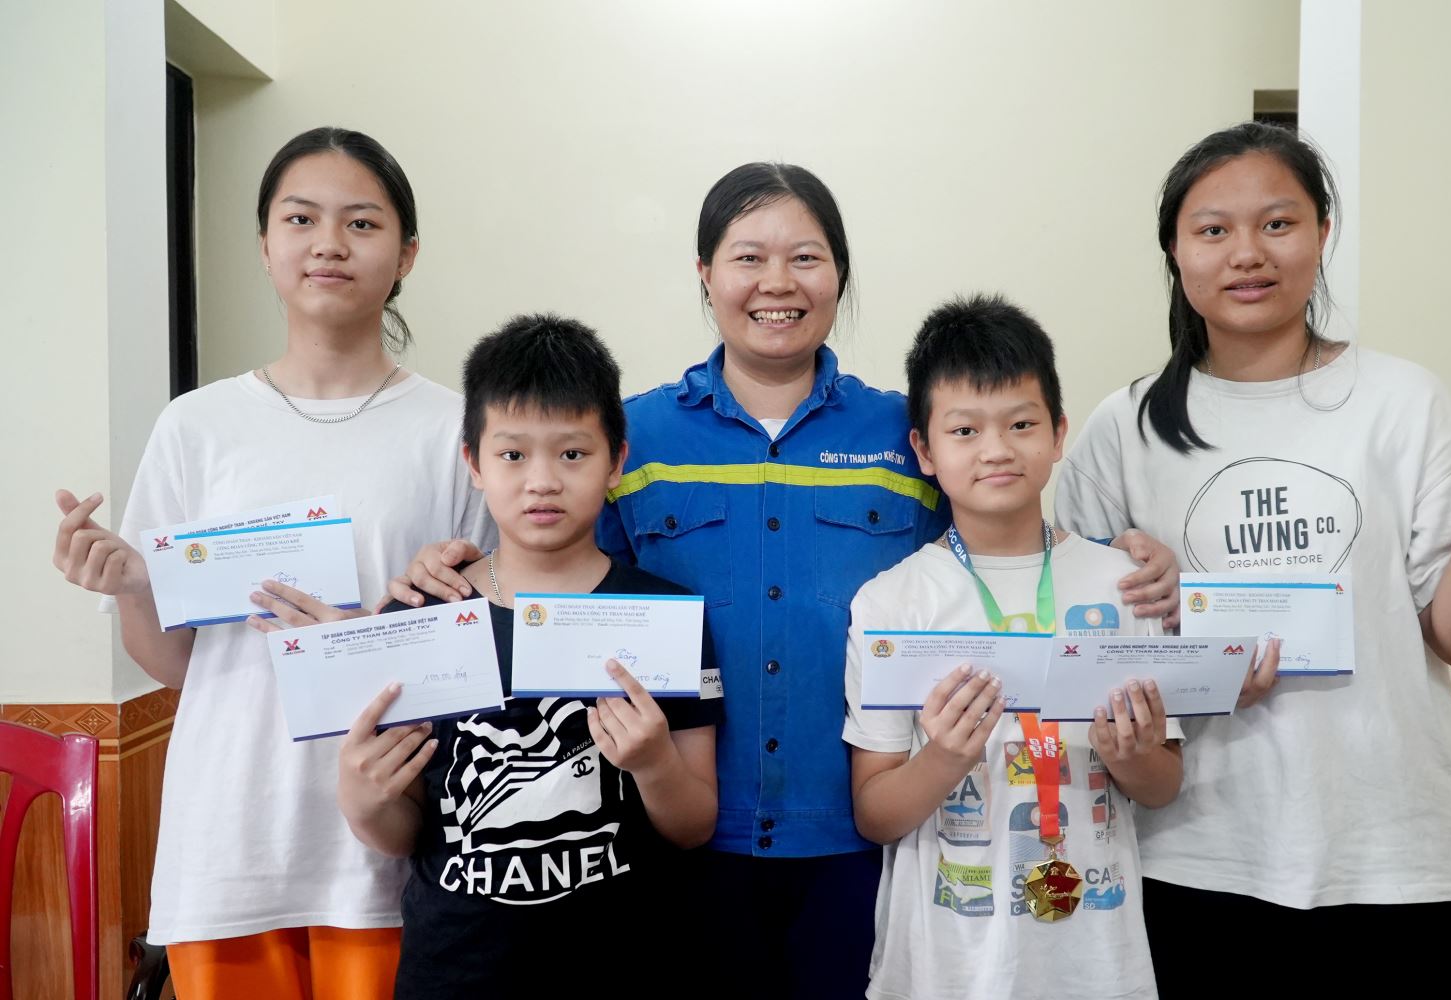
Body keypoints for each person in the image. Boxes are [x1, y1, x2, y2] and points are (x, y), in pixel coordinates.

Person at [388, 163, 1179, 997]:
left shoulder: (902, 432)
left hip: (860, 841)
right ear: (705, 274)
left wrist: (1121, 556)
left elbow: (996, 549)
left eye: (805, 257)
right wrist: (451, 566)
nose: (777, 283)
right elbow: (564, 572)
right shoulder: (636, 436)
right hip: (677, 839)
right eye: (747, 258)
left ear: (839, 273)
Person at [1054, 121, 1451, 996]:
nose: (1247, 253)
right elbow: (1088, 661)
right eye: (1213, 230)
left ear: (1323, 232)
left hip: (1396, 860)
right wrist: (1164, 623)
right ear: (1175, 251)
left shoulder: (1401, 401)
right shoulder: (1123, 427)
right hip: (1193, 858)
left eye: (1278, 223)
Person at [50, 127, 491, 999]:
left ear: (405, 255)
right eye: (300, 219)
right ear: (264, 246)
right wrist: (132, 586)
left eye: (361, 223)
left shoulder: (458, 431)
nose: (328, 243)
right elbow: (180, 664)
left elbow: (476, 660)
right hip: (229, 837)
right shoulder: (196, 425)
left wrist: (362, 642)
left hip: (384, 837)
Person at [334, 314, 720, 997]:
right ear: (474, 464)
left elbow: (694, 824)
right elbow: (408, 832)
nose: (542, 481)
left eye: (572, 454)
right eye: (513, 455)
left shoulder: (666, 616)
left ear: (616, 461)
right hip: (456, 975)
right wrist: (363, 802)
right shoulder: (420, 616)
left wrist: (655, 763)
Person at [845, 294, 1180, 999]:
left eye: (1021, 424)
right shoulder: (892, 603)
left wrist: (1131, 754)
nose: (996, 449)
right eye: (965, 430)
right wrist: (943, 758)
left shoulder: (1125, 586)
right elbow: (875, 814)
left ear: (1058, 434)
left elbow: (1163, 786)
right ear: (924, 451)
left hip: (1097, 959)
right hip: (946, 964)